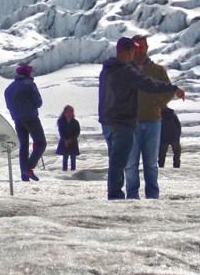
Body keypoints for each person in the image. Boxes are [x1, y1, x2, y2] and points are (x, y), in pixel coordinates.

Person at [98, 37, 184, 200]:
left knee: (118, 160)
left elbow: (104, 96)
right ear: (129, 51)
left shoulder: (108, 69)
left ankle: (118, 194)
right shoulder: (125, 70)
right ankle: (117, 195)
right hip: (121, 122)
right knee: (122, 162)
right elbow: (147, 84)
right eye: (134, 50)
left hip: (110, 122)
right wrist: (173, 88)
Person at [127, 35, 175, 199]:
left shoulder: (158, 70)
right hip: (130, 123)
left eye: (142, 46)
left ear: (147, 48)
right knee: (131, 164)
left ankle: (152, 196)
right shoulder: (125, 70)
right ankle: (132, 196)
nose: (139, 49)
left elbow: (169, 90)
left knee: (151, 164)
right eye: (136, 47)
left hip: (153, 121)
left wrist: (156, 102)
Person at [4, 64, 46, 182]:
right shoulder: (29, 85)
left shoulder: (9, 88)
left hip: (17, 119)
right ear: (27, 73)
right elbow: (38, 103)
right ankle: (28, 168)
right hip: (31, 118)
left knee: (24, 146)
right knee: (41, 143)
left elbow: (8, 106)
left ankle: (24, 176)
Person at [56, 105, 81, 172]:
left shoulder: (75, 122)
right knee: (65, 157)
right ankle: (64, 171)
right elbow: (61, 131)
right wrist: (65, 140)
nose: (69, 114)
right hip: (64, 141)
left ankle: (73, 171)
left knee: (73, 158)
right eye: (68, 112)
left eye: (71, 112)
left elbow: (77, 132)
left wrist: (71, 139)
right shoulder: (61, 121)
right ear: (64, 113)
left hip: (73, 142)